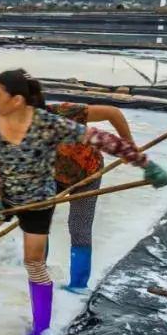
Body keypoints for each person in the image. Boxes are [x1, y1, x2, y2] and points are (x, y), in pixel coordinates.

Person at [0, 69, 167, 335]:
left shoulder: (50, 122)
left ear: (17, 99)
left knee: (35, 260)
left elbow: (102, 139)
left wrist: (143, 162)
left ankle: (42, 326)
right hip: (6, 192)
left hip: (39, 198)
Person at [45, 101, 136, 293]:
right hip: (49, 175)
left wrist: (128, 145)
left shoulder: (63, 112)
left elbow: (112, 112)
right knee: (38, 222)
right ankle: (37, 271)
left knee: (79, 227)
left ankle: (78, 286)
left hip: (88, 174)